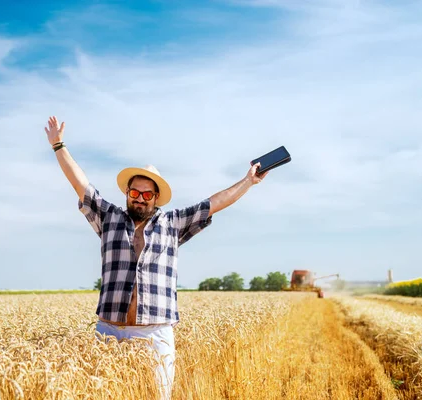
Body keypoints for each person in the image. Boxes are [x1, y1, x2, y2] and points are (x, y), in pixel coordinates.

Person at [45, 116, 268, 399]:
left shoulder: (173, 223)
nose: (140, 198)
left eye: (147, 194)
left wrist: (248, 181)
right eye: (135, 192)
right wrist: (58, 145)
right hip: (109, 332)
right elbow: (81, 184)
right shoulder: (109, 218)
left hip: (154, 334)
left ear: (156, 197)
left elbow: (215, 203)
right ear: (127, 193)